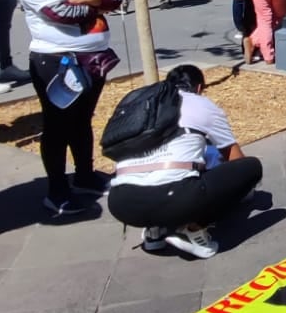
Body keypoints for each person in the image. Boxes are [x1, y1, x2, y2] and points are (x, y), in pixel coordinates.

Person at [18, 0, 123, 215]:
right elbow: (60, 13)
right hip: (55, 60)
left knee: (82, 120)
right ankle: (57, 190)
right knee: (58, 125)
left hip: (93, 57)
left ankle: (85, 175)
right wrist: (96, 2)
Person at [107, 65, 265, 259]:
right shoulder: (201, 104)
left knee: (159, 174)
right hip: (174, 198)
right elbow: (235, 158)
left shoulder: (144, 104)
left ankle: (155, 231)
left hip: (121, 203)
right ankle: (193, 229)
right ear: (199, 88)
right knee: (250, 168)